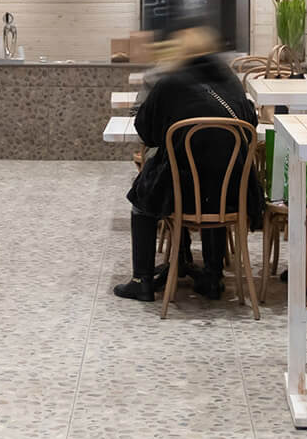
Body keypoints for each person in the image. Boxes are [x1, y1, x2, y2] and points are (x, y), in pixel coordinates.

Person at [112, 18, 261, 303]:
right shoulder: (229, 79)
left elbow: (146, 132)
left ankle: (141, 279)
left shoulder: (170, 82)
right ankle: (214, 276)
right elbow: (250, 122)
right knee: (216, 180)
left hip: (181, 195)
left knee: (142, 196)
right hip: (233, 194)